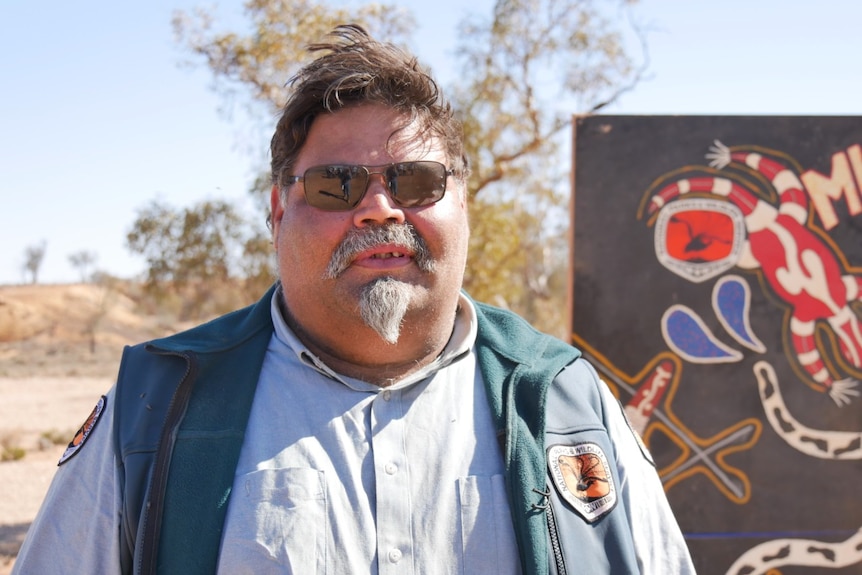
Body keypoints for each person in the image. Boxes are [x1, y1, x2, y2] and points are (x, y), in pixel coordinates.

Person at [13, 24, 696, 575]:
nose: (378, 208)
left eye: (416, 180)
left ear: (464, 207)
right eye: (337, 185)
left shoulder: (565, 401)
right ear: (278, 213)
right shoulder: (155, 405)